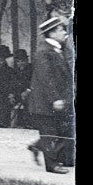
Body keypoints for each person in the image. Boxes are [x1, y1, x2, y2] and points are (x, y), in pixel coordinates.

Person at [27, 14, 73, 174]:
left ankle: (38, 146)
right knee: (50, 132)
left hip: (59, 99)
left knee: (62, 130)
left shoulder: (60, 49)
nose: (64, 32)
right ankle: (52, 165)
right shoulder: (43, 52)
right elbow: (46, 78)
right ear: (52, 33)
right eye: (61, 30)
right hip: (45, 102)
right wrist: (55, 98)